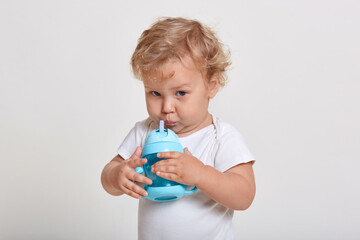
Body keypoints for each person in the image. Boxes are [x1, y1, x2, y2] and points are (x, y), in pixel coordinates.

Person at [101, 17, 256, 240]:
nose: (166, 107)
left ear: (211, 86)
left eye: (180, 93)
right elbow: (108, 175)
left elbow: (244, 196)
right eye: (155, 93)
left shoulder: (221, 137)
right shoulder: (144, 131)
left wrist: (201, 174)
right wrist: (117, 175)